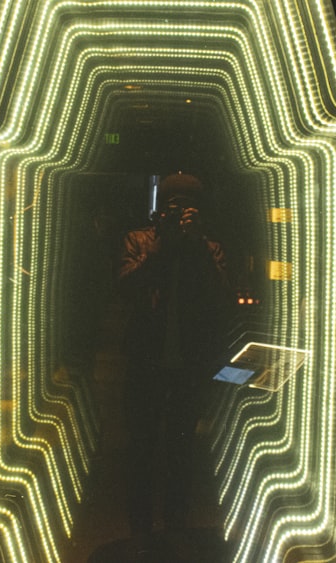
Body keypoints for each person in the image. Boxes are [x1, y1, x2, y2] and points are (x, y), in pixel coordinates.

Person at [116, 172, 231, 551]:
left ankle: (176, 526)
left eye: (187, 206)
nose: (179, 211)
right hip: (147, 358)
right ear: (162, 208)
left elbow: (219, 297)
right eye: (173, 204)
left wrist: (196, 244)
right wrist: (162, 245)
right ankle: (141, 528)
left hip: (188, 361)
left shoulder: (207, 246)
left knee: (183, 448)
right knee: (142, 445)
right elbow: (126, 284)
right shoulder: (140, 240)